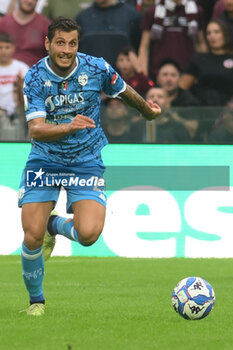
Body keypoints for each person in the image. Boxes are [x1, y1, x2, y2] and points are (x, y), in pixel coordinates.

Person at [18, 17, 161, 316]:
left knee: (89, 235)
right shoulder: (34, 77)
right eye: (60, 43)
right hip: (44, 160)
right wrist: (70, 127)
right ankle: (36, 302)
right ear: (47, 44)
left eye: (72, 43)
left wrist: (146, 110)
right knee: (31, 236)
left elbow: (122, 90)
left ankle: (53, 225)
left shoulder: (96, 67)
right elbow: (36, 130)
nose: (66, 50)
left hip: (86, 161)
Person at [138, 0, 205, 81]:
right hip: (159, 72)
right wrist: (144, 76)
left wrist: (202, 72)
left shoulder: (196, 11)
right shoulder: (152, 11)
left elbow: (201, 43)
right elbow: (144, 47)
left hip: (188, 73)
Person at [180, 19, 233, 106]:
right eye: (209, 33)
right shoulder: (199, 59)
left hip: (229, 113)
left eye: (216, 32)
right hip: (203, 111)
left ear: (226, 34)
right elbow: (182, 88)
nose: (212, 36)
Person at [75, 0, 141, 67]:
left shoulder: (132, 16)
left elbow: (141, 51)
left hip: (122, 76)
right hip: (89, 75)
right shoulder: (82, 17)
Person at [156, 59, 200, 140]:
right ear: (158, 78)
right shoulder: (150, 97)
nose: (169, 79)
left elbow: (193, 131)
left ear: (180, 79)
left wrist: (172, 114)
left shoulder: (188, 100)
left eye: (173, 75)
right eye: (165, 75)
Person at [0, 0, 50, 67]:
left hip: (36, 73)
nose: (29, 1)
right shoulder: (3, 23)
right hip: (7, 72)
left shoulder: (45, 25)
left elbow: (51, 54)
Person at [0, 33, 29, 121]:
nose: (3, 51)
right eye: (0, 48)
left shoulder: (22, 68)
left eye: (7, 47)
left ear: (13, 48)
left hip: (18, 114)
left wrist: (20, 85)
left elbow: (28, 98)